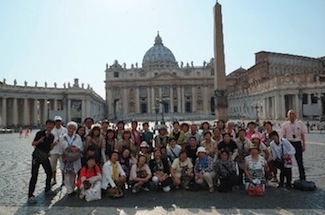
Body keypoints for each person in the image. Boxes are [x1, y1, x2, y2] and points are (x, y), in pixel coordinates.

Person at [27, 119, 55, 204]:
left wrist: (52, 146)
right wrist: (40, 140)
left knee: (49, 172)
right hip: (37, 156)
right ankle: (30, 195)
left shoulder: (52, 136)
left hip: (45, 156)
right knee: (34, 175)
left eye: (52, 125)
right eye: (49, 124)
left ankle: (47, 189)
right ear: (46, 125)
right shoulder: (40, 133)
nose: (50, 126)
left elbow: (48, 147)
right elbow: (33, 143)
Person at [281, 109, 307, 181]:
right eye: (290, 114)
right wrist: (284, 147)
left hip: (297, 142)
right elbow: (283, 136)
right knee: (288, 162)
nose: (291, 116)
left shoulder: (300, 123)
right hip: (289, 143)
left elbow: (302, 135)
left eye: (293, 114)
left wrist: (304, 144)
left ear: (295, 115)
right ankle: (289, 179)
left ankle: (302, 177)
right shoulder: (284, 124)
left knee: (300, 161)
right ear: (287, 116)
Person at [59, 121, 84, 196]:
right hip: (66, 158)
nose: (71, 130)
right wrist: (62, 156)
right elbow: (60, 148)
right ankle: (69, 190)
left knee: (73, 173)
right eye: (70, 128)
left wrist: (77, 148)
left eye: (73, 128)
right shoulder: (62, 137)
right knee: (67, 174)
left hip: (75, 158)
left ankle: (72, 187)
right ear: (67, 128)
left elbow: (81, 146)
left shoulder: (77, 137)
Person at [50, 116, 67, 186]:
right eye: (57, 121)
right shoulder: (51, 130)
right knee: (53, 166)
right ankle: (54, 179)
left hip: (62, 151)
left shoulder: (65, 130)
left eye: (59, 121)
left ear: (61, 122)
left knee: (63, 167)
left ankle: (63, 180)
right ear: (54, 122)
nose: (58, 123)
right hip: (53, 151)